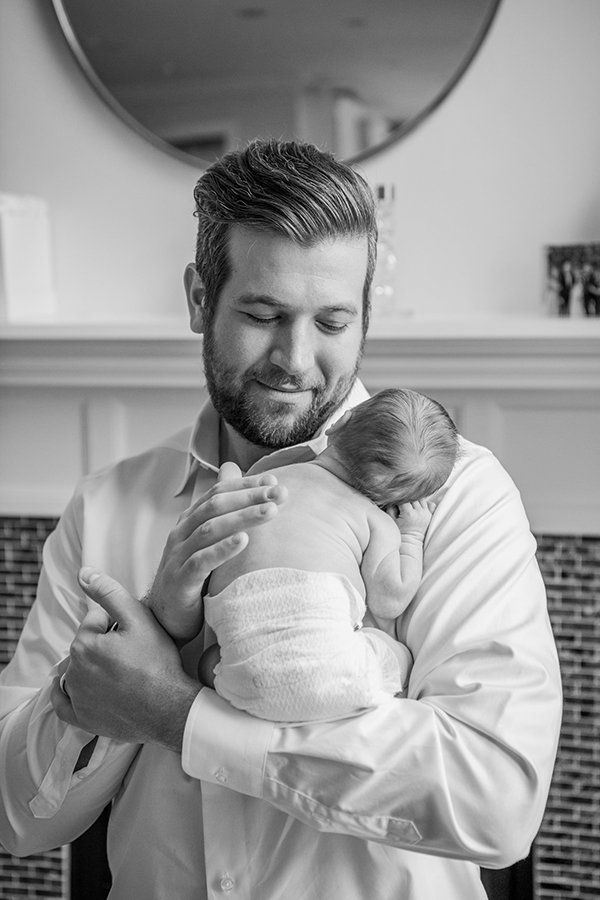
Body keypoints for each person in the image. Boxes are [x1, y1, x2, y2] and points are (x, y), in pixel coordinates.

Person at [0, 139, 562, 900]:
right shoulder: (107, 508)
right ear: (200, 297)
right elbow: (16, 817)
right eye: (263, 314)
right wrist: (124, 659)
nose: (296, 361)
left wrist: (178, 715)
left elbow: (496, 802)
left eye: (333, 322)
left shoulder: (457, 495)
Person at [199, 388, 458, 723]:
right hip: (335, 680)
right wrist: (412, 533)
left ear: (341, 422)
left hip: (238, 680)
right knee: (401, 656)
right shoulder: (374, 520)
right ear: (396, 497)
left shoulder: (260, 482)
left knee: (210, 658)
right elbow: (389, 600)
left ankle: (230, 675)